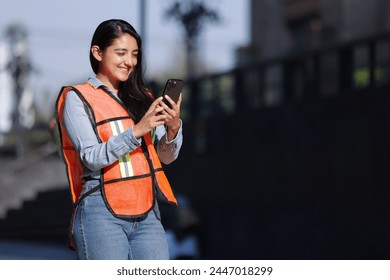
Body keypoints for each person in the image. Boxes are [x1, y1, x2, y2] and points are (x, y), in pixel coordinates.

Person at [55, 19, 183, 260]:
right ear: (97, 52)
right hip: (101, 212)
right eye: (121, 53)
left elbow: (164, 158)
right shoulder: (77, 97)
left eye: (135, 54)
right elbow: (91, 157)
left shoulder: (143, 97)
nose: (130, 62)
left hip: (148, 213)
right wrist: (138, 130)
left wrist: (173, 127)